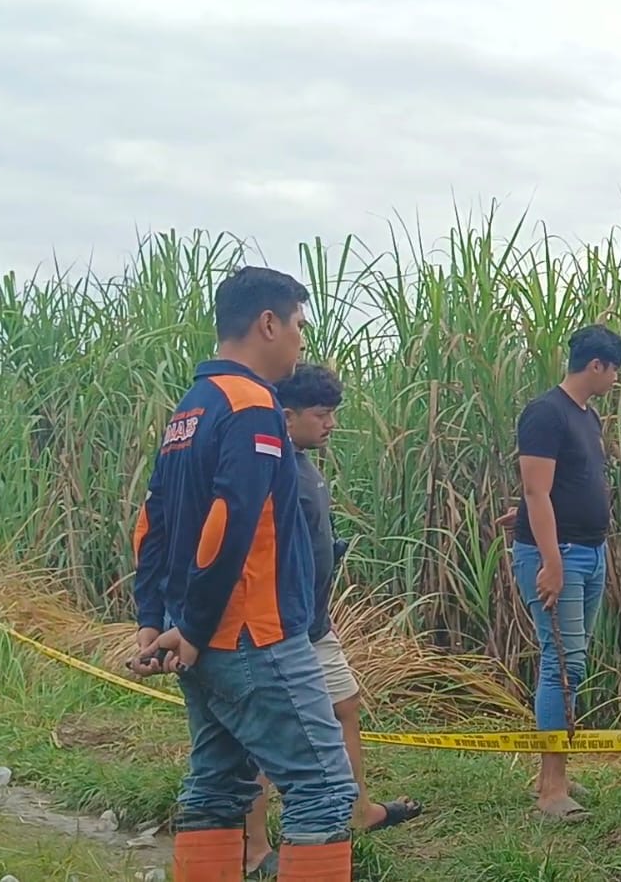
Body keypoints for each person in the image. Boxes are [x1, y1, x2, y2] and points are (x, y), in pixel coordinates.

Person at [127, 267, 359, 881]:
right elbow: (232, 521)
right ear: (267, 324)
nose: (302, 342)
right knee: (326, 790)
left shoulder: (190, 408)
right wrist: (197, 627)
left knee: (217, 786)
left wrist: (157, 621)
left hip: (193, 635)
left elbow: (154, 522)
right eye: (299, 326)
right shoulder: (253, 403)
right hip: (253, 635)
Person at [241, 362, 424, 877]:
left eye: (333, 414)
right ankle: (254, 847)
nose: (330, 424)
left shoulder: (303, 461)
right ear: (287, 414)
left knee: (346, 704)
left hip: (316, 623)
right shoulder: (271, 469)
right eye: (321, 414)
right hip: (281, 627)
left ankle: (359, 811)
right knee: (264, 732)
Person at [508, 323, 621, 822]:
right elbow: (536, 489)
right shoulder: (546, 413)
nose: (617, 378)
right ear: (595, 365)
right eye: (615, 368)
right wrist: (551, 560)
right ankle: (551, 791)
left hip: (589, 552)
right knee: (562, 663)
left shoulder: (587, 416)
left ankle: (551, 772)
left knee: (572, 663)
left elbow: (560, 486)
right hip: (559, 556)